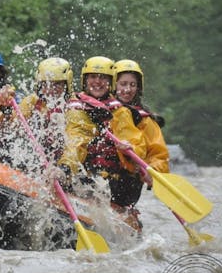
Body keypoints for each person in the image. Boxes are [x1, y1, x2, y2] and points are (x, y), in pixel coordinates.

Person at [55, 56, 147, 233]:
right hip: (86, 178)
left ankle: (125, 214)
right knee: (83, 179)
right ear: (84, 80)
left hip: (115, 185)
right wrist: (65, 167)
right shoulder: (76, 109)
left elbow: (136, 141)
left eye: (103, 77)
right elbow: (76, 141)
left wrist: (130, 147)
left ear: (111, 82)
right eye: (92, 77)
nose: (97, 82)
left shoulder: (121, 111)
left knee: (124, 180)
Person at [113, 59, 169, 199]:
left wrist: (153, 171)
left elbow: (159, 156)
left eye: (133, 85)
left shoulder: (146, 120)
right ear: (114, 85)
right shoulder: (98, 110)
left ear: (138, 88)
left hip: (125, 183)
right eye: (123, 84)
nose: (127, 89)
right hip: (100, 176)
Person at [19, 57, 74, 161]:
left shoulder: (74, 107)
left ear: (67, 84)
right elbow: (12, 124)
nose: (50, 89)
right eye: (45, 84)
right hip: (37, 161)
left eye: (57, 84)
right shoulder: (31, 102)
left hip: (64, 165)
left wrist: (64, 168)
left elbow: (75, 144)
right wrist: (5, 107)